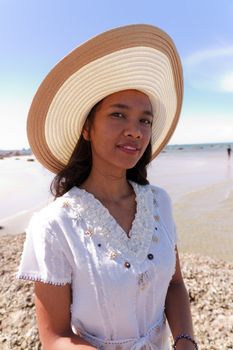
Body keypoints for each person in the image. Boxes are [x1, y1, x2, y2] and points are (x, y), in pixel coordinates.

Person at [17, 24, 198, 350]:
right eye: (118, 114)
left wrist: (186, 341)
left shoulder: (160, 203)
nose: (136, 131)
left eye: (145, 120)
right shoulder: (53, 225)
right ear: (87, 128)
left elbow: (174, 283)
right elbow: (55, 337)